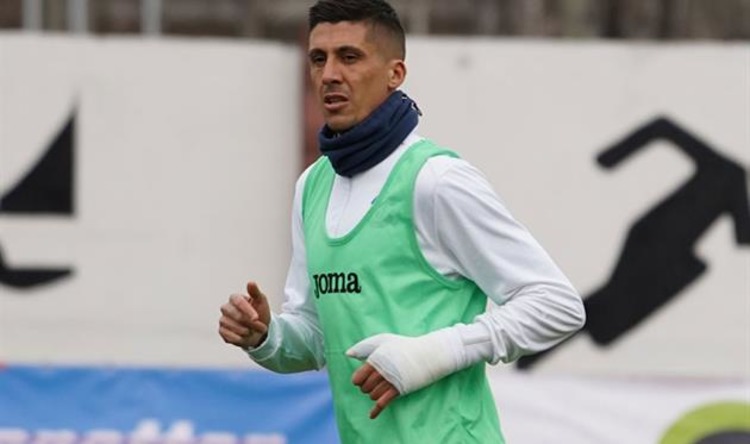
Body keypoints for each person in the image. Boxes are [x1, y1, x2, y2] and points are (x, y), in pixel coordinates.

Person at [218, 0, 586, 442]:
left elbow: (557, 304)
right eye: (319, 58)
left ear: (395, 74)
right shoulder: (312, 186)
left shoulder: (437, 180)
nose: (329, 74)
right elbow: (317, 338)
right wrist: (266, 336)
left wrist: (433, 353)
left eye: (349, 57)